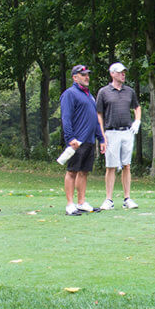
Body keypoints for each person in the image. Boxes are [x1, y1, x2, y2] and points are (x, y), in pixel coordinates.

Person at [95, 62, 143, 210]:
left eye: (124, 72)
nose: (123, 74)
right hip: (111, 132)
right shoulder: (104, 92)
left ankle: (127, 198)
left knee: (127, 165)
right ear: (112, 74)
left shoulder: (129, 91)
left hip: (127, 132)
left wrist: (137, 120)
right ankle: (109, 199)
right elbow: (99, 114)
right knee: (111, 166)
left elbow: (137, 107)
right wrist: (102, 135)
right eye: (120, 72)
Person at [60, 65, 106, 215]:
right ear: (75, 77)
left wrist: (101, 138)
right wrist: (70, 137)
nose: (87, 77)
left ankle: (81, 202)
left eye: (87, 74)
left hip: (89, 140)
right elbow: (66, 118)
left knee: (84, 171)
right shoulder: (70, 94)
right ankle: (70, 204)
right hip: (77, 141)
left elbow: (94, 120)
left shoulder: (89, 96)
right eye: (83, 75)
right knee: (72, 171)